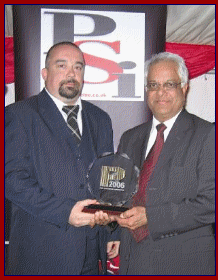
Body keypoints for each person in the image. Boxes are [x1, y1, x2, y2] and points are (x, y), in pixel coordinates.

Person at [5, 41, 120, 275]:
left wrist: (113, 228)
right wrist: (65, 212)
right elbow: (12, 180)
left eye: (78, 67)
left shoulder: (100, 119)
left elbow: (110, 180)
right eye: (62, 65)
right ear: (45, 73)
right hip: (40, 256)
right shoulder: (19, 115)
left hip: (91, 256)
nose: (71, 73)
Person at [113, 52, 215, 275]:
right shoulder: (130, 138)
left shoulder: (208, 135)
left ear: (185, 87)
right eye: (153, 85)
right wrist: (109, 218)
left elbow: (211, 203)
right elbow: (119, 194)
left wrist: (151, 216)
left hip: (183, 264)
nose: (160, 92)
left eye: (169, 84)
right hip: (133, 262)